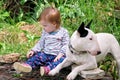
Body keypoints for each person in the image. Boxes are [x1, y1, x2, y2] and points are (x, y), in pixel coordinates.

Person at [13, 7, 70, 76]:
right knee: (37, 56)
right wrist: (33, 50)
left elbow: (66, 44)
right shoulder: (45, 32)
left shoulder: (63, 32)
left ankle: (48, 69)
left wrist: (61, 54)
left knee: (62, 61)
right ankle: (28, 65)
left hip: (56, 56)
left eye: (45, 25)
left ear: (54, 24)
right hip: (45, 54)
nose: (43, 28)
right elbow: (41, 43)